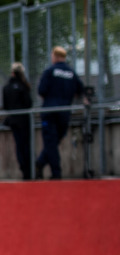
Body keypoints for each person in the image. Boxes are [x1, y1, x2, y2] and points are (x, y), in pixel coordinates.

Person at [35, 46, 86, 179]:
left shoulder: (50, 71)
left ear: (55, 56)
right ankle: (41, 163)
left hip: (50, 111)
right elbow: (81, 90)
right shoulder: (71, 73)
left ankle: (53, 171)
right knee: (55, 141)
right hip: (64, 112)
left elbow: (41, 91)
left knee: (50, 142)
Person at [2, 62, 33, 180]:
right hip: (24, 120)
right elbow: (28, 103)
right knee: (26, 145)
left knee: (19, 146)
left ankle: (24, 169)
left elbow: (5, 106)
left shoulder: (7, 87)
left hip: (14, 120)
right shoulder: (24, 86)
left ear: (12, 73)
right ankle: (29, 171)